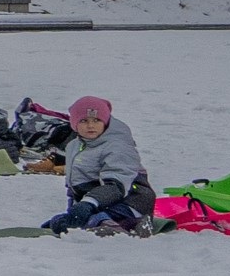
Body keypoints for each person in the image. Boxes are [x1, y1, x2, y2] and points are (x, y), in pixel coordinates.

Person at [42, 95, 153, 234]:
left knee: (97, 218)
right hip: (97, 203)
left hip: (130, 200)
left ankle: (129, 225)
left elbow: (117, 185)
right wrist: (73, 215)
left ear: (105, 122)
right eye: (84, 120)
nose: (90, 125)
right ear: (74, 123)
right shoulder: (73, 147)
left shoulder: (118, 146)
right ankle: (113, 225)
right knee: (62, 222)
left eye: (97, 120)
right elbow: (75, 185)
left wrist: (88, 203)